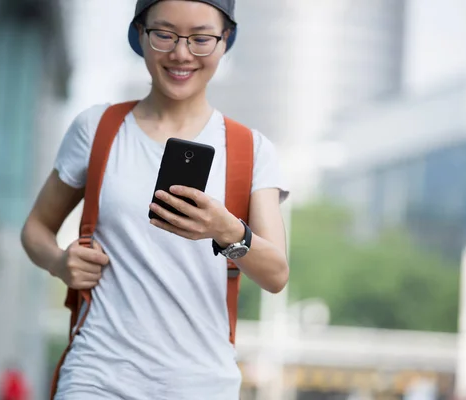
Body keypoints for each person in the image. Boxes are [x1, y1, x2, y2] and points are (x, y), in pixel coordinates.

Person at [21, 0, 290, 398]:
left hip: (200, 384)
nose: (181, 53)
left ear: (225, 40)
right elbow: (36, 229)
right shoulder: (97, 129)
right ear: (140, 34)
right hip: (97, 375)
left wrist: (225, 228)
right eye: (164, 34)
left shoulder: (251, 150)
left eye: (200, 38)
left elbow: (276, 274)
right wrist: (61, 263)